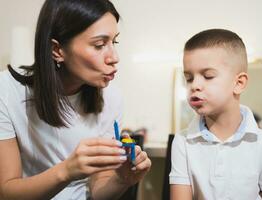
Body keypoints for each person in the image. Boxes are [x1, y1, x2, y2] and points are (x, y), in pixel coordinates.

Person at [0, 0, 151, 199]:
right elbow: (6, 191)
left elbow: (96, 192)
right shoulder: (7, 90)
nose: (114, 57)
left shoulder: (111, 97)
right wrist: (66, 171)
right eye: (99, 45)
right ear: (57, 50)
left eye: (113, 42)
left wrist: (122, 179)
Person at [169, 29, 262, 200]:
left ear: (238, 83)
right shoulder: (182, 142)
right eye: (189, 78)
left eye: (208, 76)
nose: (194, 85)